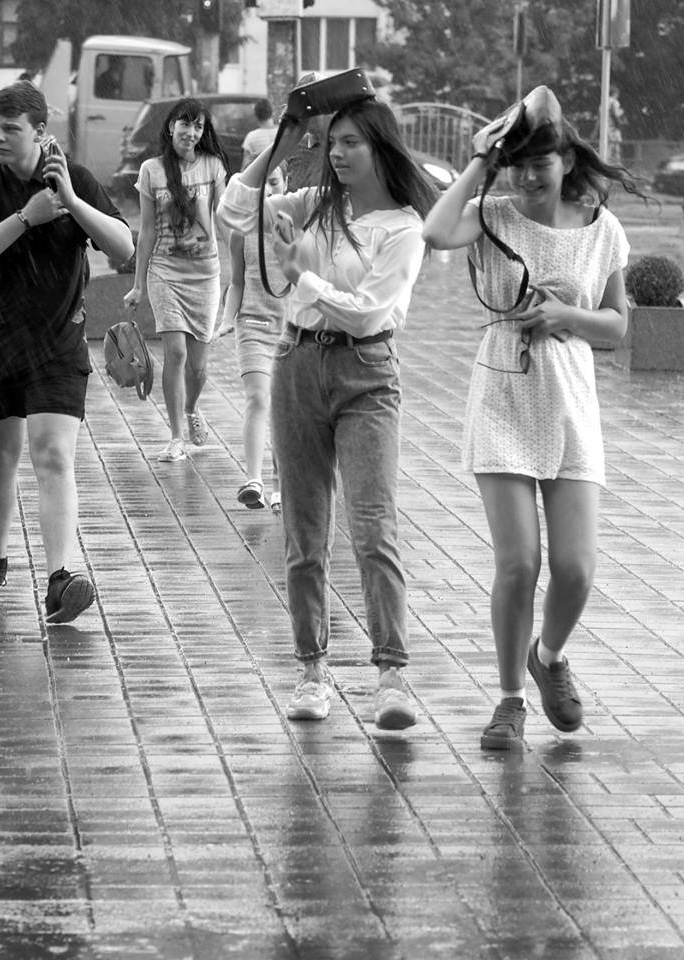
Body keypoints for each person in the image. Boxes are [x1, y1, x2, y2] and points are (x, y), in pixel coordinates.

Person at [422, 86, 646, 750]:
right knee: (519, 563)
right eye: (515, 165)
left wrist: (563, 316)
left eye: (539, 163)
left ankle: (547, 657)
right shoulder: (490, 214)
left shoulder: (601, 228)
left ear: (566, 160)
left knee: (575, 569)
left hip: (570, 399)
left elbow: (615, 327)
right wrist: (478, 161)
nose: (527, 177)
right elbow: (434, 232)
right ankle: (509, 699)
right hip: (502, 395)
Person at [218, 96, 437, 728]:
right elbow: (234, 211)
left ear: (380, 148)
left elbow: (369, 313)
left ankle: (391, 677)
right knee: (304, 531)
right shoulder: (315, 203)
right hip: (296, 364)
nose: (336, 154)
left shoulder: (403, 228)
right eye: (331, 142)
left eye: (351, 143)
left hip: (366, 373)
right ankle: (312, 672)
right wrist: (284, 142)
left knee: (373, 527)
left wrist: (303, 278)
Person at [0, 81, 134, 623]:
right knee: (1, 454)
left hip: (58, 344)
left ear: (40, 132)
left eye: (10, 129)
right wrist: (26, 217)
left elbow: (123, 247)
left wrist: (71, 202)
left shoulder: (75, 179)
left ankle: (59, 579)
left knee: (52, 453)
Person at [124, 98, 228, 462]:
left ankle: (192, 408)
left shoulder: (213, 166)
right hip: (165, 273)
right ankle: (176, 436)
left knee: (198, 367)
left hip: (205, 276)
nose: (192, 132)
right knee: (176, 353)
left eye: (198, 126)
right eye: (185, 124)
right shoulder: (151, 170)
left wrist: (241, 270)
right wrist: (138, 284)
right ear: (171, 127)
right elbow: (147, 230)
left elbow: (224, 219)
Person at [219, 163, 289, 511]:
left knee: (285, 408)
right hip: (253, 326)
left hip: (291, 331)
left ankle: (281, 486)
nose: (268, 191)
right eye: (261, 184)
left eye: (274, 182)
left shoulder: (298, 229)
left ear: (287, 184)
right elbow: (237, 283)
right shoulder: (241, 233)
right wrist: (226, 319)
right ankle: (254, 481)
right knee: (258, 398)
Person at [240, 98, 277, 170]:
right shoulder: (282, 134)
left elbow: (245, 167)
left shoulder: (251, 137)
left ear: (256, 116)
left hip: (259, 175)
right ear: (272, 113)